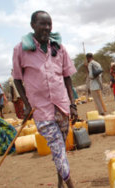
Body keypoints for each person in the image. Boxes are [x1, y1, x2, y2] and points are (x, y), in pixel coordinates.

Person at [12, 10, 77, 188]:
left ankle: (59, 184)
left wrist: (72, 105)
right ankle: (71, 185)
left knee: (60, 150)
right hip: (41, 109)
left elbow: (67, 77)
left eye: (49, 24)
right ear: (33, 25)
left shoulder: (59, 47)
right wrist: (26, 105)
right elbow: (17, 79)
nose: (46, 28)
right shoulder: (20, 50)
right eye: (42, 24)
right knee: (57, 148)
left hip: (62, 105)